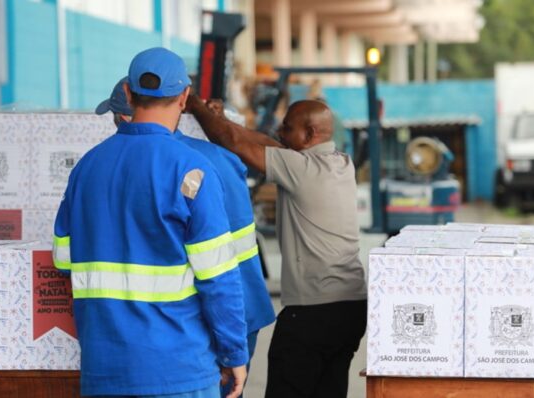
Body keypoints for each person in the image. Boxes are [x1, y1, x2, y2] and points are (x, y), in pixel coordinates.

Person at [53, 48, 248, 398]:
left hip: (104, 370)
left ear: (127, 93)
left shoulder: (85, 169)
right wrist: (234, 352)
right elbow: (219, 279)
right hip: (179, 371)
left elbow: (63, 260)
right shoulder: (193, 170)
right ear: (185, 98)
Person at [96, 77, 277, 397]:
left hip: (201, 319)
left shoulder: (141, 168)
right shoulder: (220, 157)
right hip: (245, 306)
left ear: (126, 116)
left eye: (114, 117)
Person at [186, 96, 368, 398]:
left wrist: (196, 107)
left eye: (287, 128)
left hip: (313, 312)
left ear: (309, 134)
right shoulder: (340, 163)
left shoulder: (301, 169)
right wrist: (222, 118)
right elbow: (267, 144)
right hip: (350, 308)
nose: (279, 133)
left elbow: (231, 141)